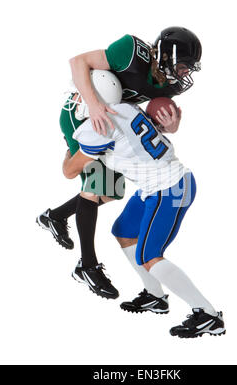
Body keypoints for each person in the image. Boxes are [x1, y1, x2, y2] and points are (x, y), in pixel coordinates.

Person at [36, 27, 202, 300]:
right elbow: (78, 62)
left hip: (116, 122)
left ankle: (54, 217)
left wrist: (171, 127)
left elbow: (154, 119)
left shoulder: (168, 84)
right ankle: (87, 265)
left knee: (111, 191)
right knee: (95, 186)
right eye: (183, 66)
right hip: (86, 113)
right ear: (164, 56)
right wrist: (94, 105)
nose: (185, 74)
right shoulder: (131, 52)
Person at [62, 96, 225, 339]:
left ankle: (208, 315)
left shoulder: (98, 125)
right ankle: (155, 297)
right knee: (124, 231)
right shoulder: (125, 107)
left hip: (169, 188)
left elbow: (69, 171)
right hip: (157, 184)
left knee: (149, 256)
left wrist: (69, 150)